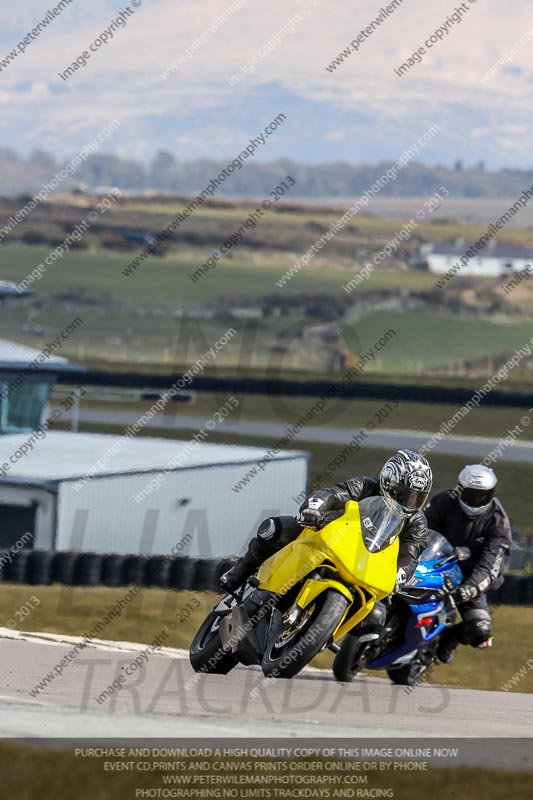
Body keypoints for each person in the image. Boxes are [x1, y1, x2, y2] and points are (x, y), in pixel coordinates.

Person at [221, 450, 433, 605]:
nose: (408, 502)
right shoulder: (366, 486)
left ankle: (328, 636)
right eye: (403, 494)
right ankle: (240, 572)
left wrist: (399, 576)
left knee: (377, 616)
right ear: (388, 481)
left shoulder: (417, 522)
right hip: (329, 536)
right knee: (274, 529)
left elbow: (410, 554)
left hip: (367, 565)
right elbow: (333, 494)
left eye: (417, 498)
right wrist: (315, 508)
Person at [424, 464, 512, 663]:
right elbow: (421, 530)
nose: (476, 501)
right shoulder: (443, 501)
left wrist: (470, 589)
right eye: (471, 494)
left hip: (469, 577)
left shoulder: (499, 523)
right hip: (436, 564)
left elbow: (490, 566)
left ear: (492, 494)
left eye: (483, 495)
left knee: (481, 633)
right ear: (460, 489)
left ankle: (449, 638)